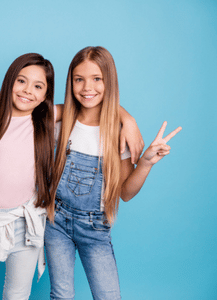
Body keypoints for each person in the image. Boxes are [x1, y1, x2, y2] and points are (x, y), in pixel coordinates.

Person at [0, 52, 142, 300]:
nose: (28, 90)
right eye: (21, 81)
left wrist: (128, 119)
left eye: (38, 86)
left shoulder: (45, 120)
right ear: (9, 82)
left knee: (17, 295)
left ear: (45, 96)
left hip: (27, 225)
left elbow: (89, 101)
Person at [44, 46, 182, 300]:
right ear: (70, 82)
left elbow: (126, 193)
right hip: (56, 222)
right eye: (79, 79)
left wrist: (146, 163)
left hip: (95, 228)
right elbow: (25, 114)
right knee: (61, 295)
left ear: (110, 82)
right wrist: (127, 115)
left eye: (97, 79)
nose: (88, 87)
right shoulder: (60, 121)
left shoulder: (118, 132)